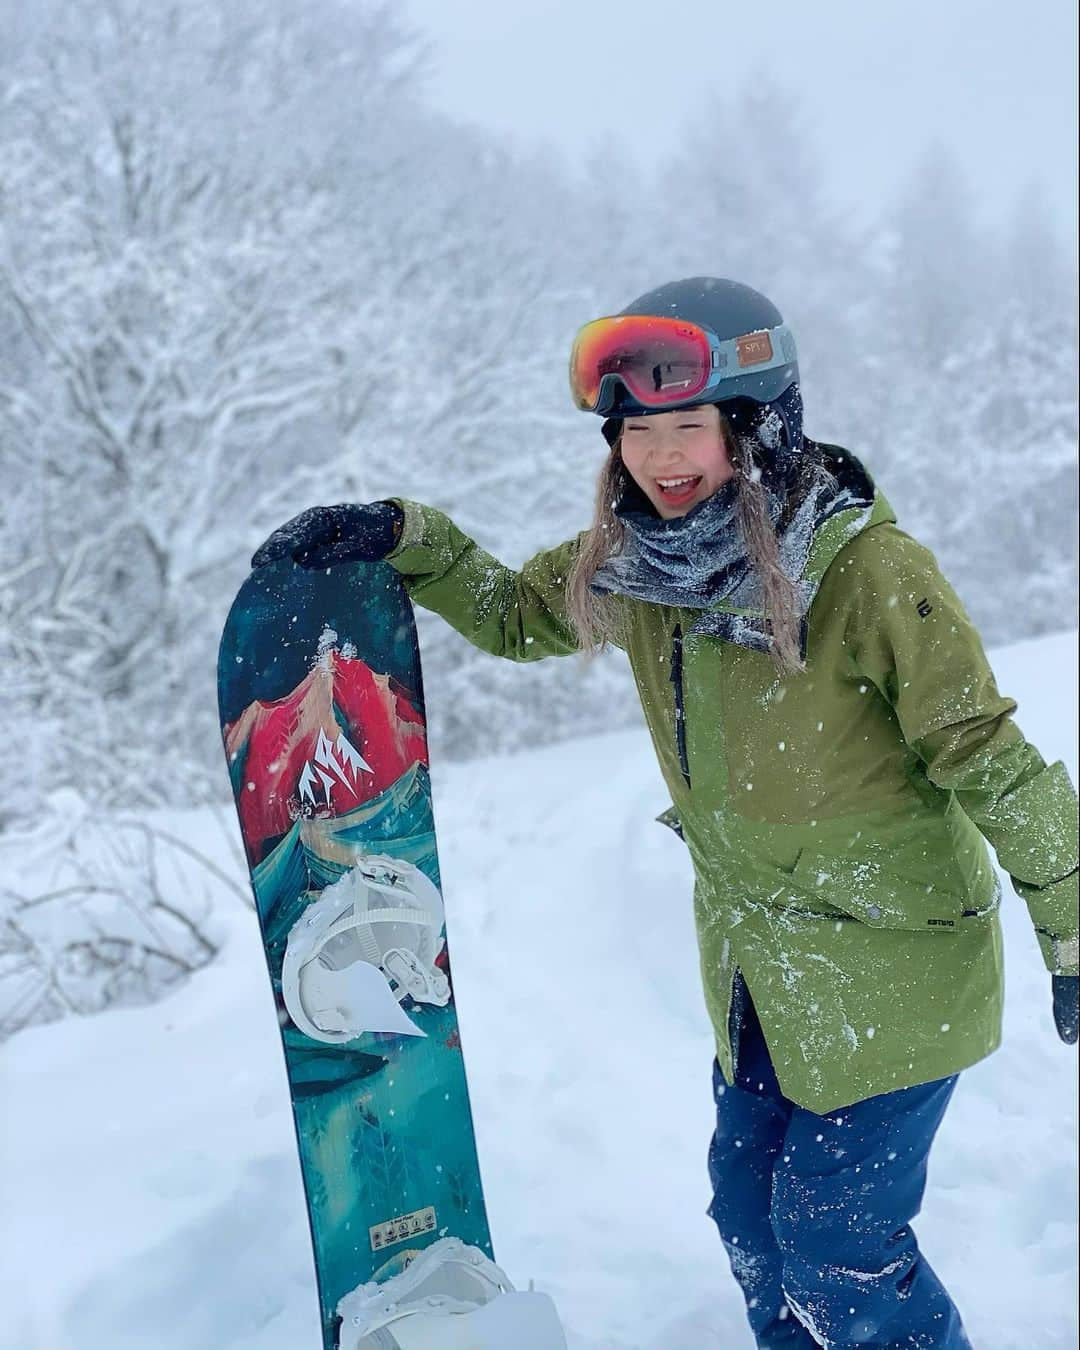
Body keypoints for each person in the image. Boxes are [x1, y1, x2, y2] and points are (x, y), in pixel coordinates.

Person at [253, 277, 1079, 1348]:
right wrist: (404, 534)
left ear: (757, 426)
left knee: (836, 1247)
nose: (660, 455)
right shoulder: (636, 562)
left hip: (895, 968)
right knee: (748, 1220)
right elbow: (512, 615)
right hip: (757, 975)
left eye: (688, 425)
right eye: (635, 432)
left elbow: (990, 757)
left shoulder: (867, 571)